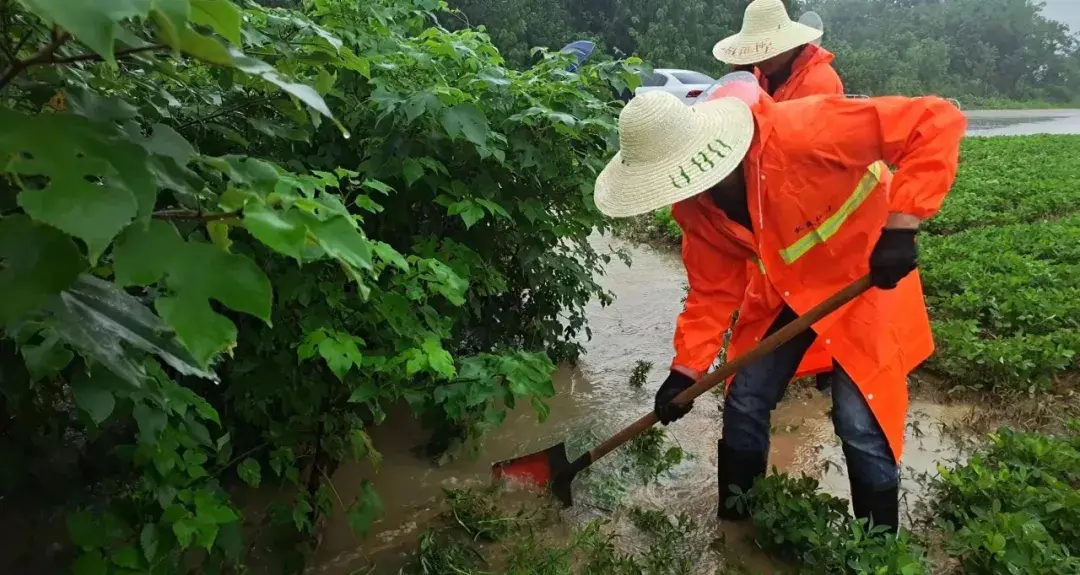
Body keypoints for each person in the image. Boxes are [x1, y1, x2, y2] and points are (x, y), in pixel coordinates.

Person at [592, 85, 966, 532]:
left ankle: (877, 549)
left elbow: (936, 120)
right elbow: (711, 293)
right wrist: (686, 371)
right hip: (788, 290)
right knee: (745, 397)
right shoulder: (694, 208)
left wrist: (902, 226)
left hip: (865, 276)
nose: (685, 190)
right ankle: (737, 524)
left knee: (859, 421)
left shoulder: (800, 132)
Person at [713, 0, 843, 102]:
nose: (759, 60)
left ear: (786, 43)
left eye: (765, 50)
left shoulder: (819, 82)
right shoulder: (761, 73)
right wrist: (739, 84)